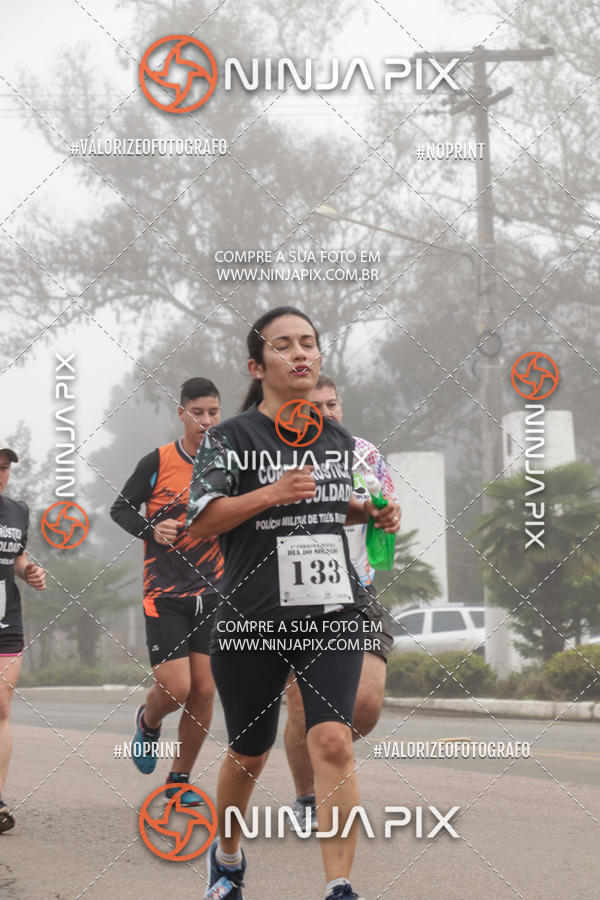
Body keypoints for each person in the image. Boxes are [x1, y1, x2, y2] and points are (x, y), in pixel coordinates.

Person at [186, 307, 400, 900]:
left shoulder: (336, 441)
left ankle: (339, 886)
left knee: (332, 740)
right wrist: (271, 492)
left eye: (308, 343)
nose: (300, 354)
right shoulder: (230, 439)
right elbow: (200, 520)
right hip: (252, 619)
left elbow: (331, 505)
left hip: (331, 613)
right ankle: (226, 856)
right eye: (284, 346)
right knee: (248, 755)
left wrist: (370, 511)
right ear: (258, 366)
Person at [284, 374, 400, 828]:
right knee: (300, 705)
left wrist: (388, 517)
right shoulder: (280, 458)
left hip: (357, 591)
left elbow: (387, 509)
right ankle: (306, 797)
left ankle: (324, 743)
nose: (327, 412)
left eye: (332, 404)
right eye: (316, 406)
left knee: (366, 706)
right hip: (294, 595)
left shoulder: (366, 454)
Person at [110, 378, 223, 805]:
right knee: (176, 688)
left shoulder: (227, 464)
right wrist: (151, 530)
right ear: (182, 413)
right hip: (165, 592)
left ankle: (179, 782)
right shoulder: (156, 461)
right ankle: (149, 720)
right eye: (198, 412)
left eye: (213, 412)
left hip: (213, 592)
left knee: (205, 690)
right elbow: (120, 508)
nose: (206, 421)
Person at [0, 440, 46, 833]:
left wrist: (30, 571)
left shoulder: (18, 511)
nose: (0, 473)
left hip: (5, 622)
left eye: (4, 467)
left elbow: (17, 556)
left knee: (1, 707)